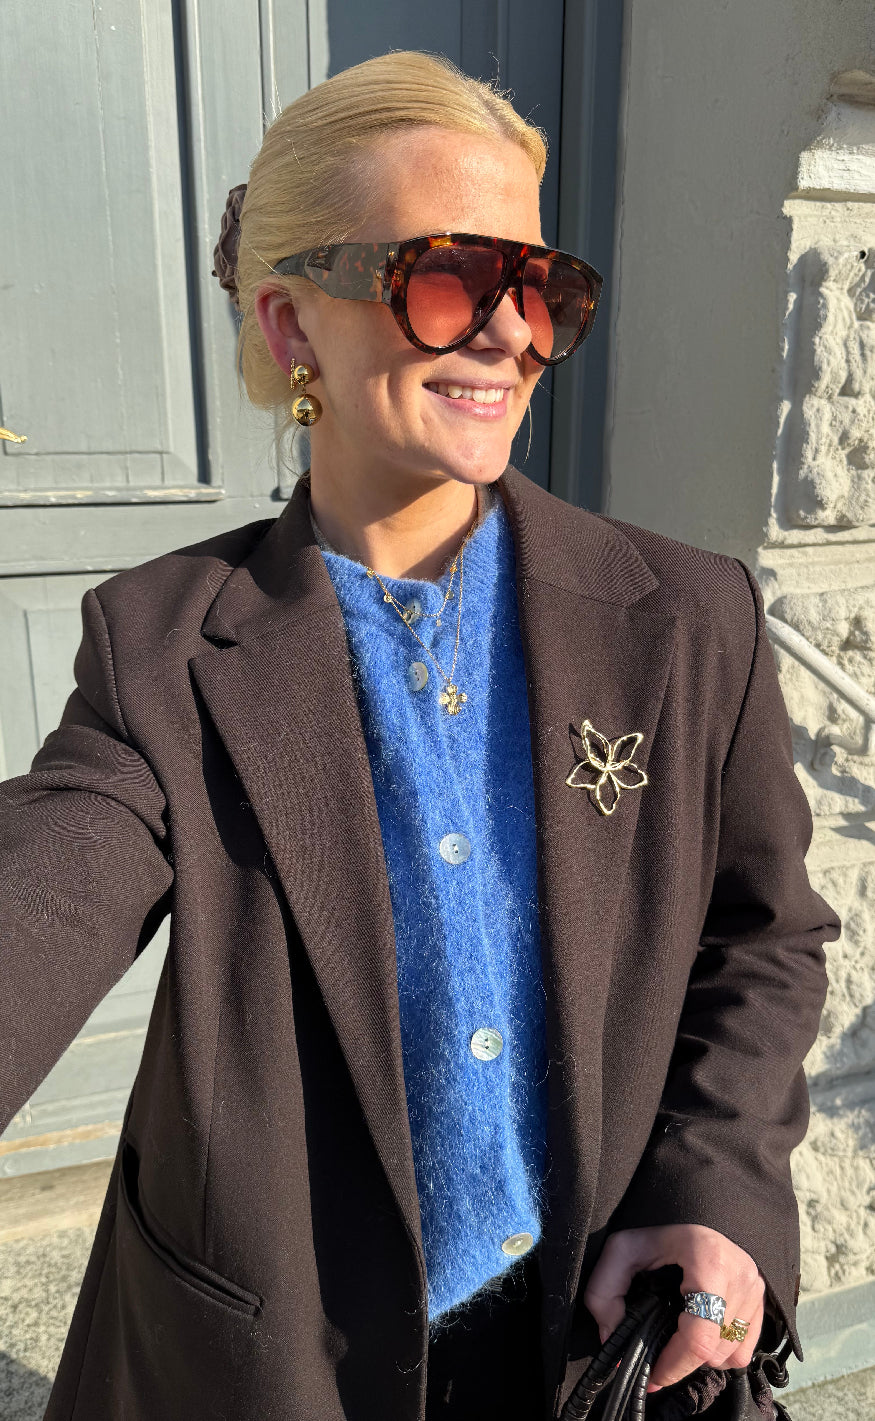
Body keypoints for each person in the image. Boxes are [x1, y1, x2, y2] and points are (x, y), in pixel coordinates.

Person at [0, 49, 840, 1421]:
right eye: (448, 278)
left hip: (598, 1344)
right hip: (286, 1365)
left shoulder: (687, 620)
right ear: (292, 326)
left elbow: (764, 937)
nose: (510, 335)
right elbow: (45, 887)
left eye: (540, 289)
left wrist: (715, 1185)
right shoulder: (163, 647)